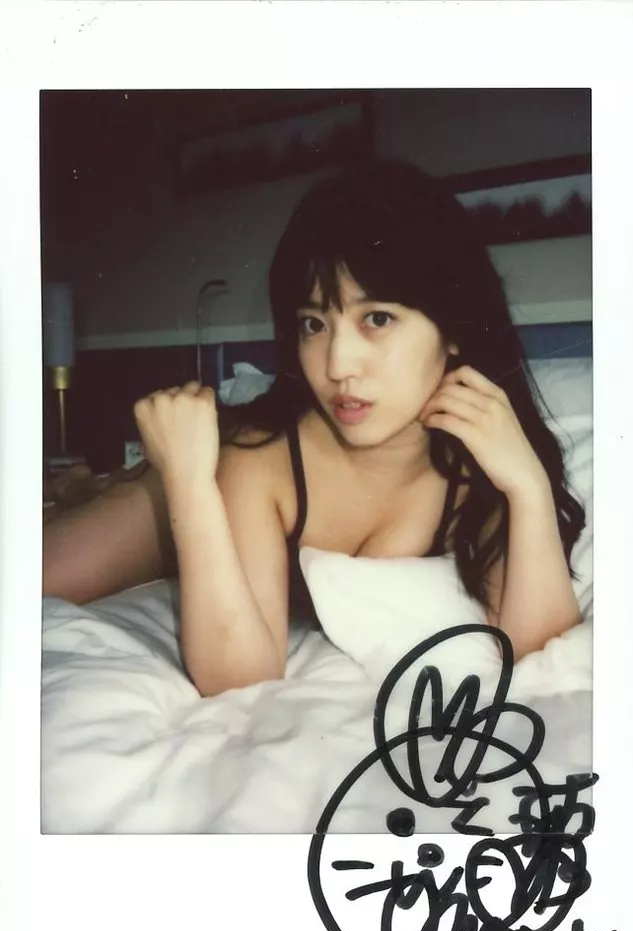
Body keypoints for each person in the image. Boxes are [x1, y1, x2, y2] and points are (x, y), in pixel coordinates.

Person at [43, 159, 585, 697]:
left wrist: (529, 488)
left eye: (377, 318)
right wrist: (187, 482)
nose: (337, 365)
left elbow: (543, 652)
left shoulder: (479, 465)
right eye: (314, 324)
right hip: (189, 484)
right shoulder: (260, 459)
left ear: (453, 327)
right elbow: (237, 678)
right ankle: (88, 489)